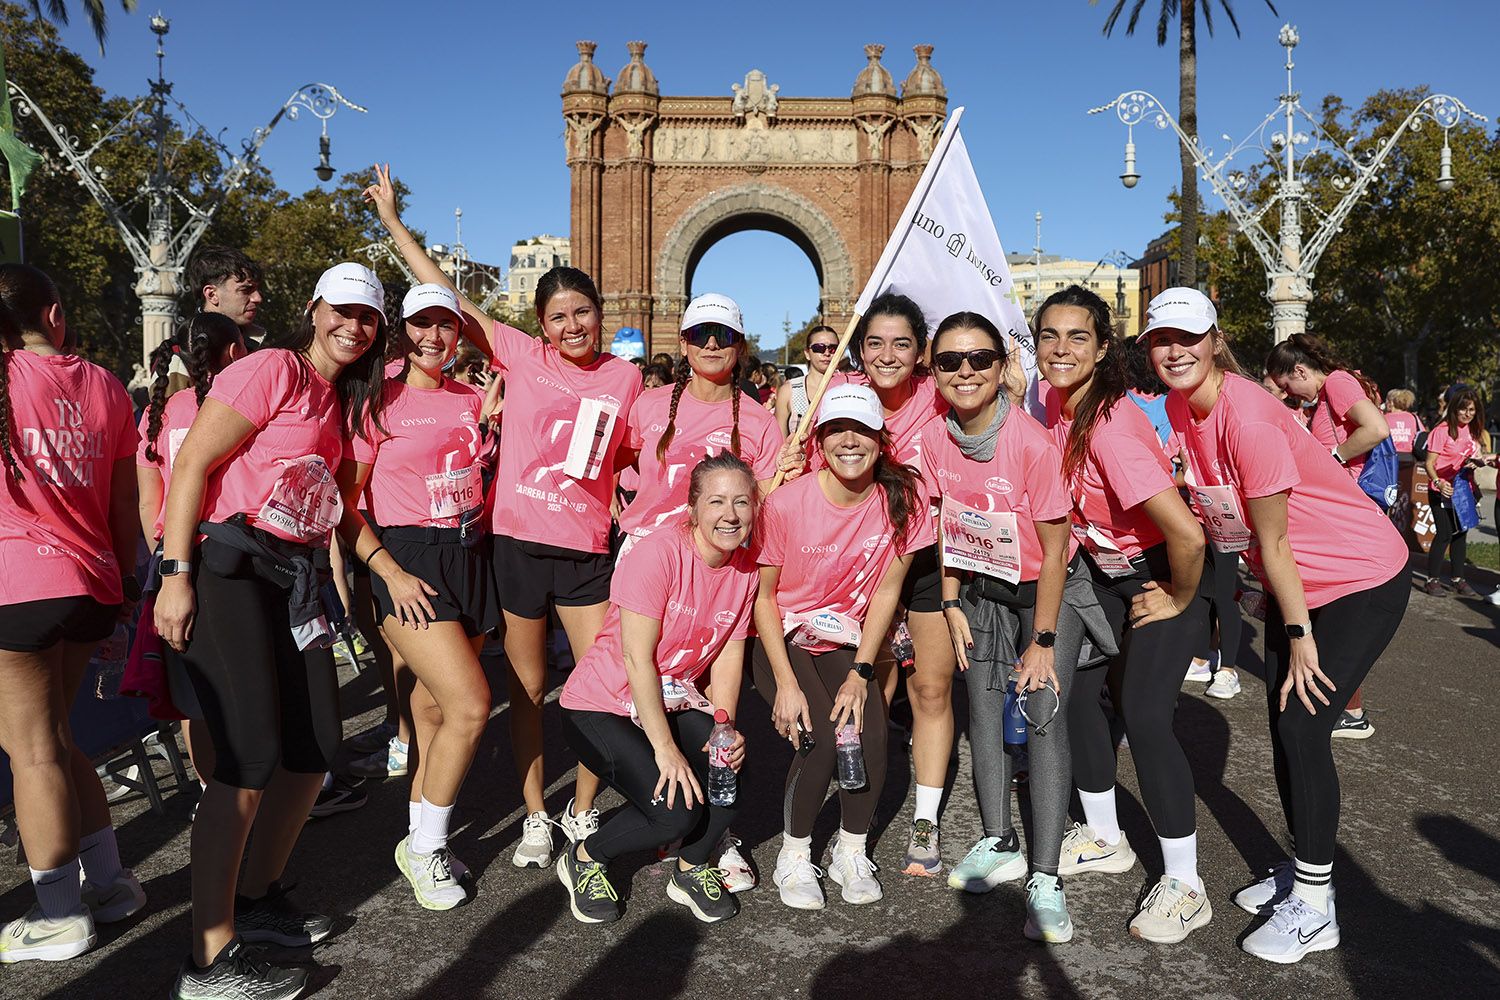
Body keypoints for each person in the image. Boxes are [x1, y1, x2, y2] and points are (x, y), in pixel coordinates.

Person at [368, 164, 642, 866]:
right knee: (527, 692)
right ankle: (533, 816)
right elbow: (446, 298)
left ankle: (580, 810)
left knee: (596, 689)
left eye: (583, 312)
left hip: (586, 550)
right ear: (541, 326)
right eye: (559, 316)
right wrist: (396, 225)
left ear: (599, 316)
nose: (572, 324)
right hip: (516, 546)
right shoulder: (519, 354)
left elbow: (648, 451)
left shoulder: (626, 375)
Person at [1142, 287, 1410, 964]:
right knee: (1288, 727)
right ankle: (1303, 870)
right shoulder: (1181, 406)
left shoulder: (1249, 417)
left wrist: (1297, 635)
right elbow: (1223, 512)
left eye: (1187, 337)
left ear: (1215, 339)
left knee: (1303, 724)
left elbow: (1280, 540)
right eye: (1160, 339)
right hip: (1303, 584)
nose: (1174, 351)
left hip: (1361, 574)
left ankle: (1318, 905)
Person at [155, 262, 387, 998]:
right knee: (248, 759)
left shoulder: (338, 396)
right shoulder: (273, 368)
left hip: (295, 580)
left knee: (314, 750)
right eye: (342, 310)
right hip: (229, 567)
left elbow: (328, 503)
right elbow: (191, 462)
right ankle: (208, 959)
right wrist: (175, 573)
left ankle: (255, 900)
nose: (354, 325)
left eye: (368, 317)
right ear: (314, 308)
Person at [1032, 287, 1215, 943]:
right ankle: (1107, 836)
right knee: (1078, 694)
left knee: (1142, 714)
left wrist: (1180, 597)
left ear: (1104, 347)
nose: (1060, 349)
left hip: (1170, 570)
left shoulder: (1109, 428)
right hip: (1111, 572)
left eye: (1077, 337)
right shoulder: (1058, 405)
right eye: (1048, 335)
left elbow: (1189, 536)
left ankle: (1187, 886)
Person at [920, 310, 1109, 943]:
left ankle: (1047, 876)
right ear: (934, 369)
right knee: (983, 711)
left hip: (1044, 595)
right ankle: (998, 840)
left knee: (1041, 719)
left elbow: (1055, 551)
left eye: (979, 359)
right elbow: (949, 522)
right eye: (950, 360)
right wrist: (949, 602)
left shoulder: (1031, 442)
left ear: (1002, 369)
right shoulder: (934, 438)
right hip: (979, 589)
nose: (965, 370)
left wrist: (1044, 642)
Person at [613, 292, 782, 890]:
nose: (712, 345)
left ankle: (717, 832)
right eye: (701, 334)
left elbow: (764, 495)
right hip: (652, 563)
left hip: (720, 566)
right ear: (683, 343)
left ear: (740, 347)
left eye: (724, 335)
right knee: (629, 681)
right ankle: (627, 808)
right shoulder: (648, 402)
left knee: (714, 688)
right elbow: (617, 461)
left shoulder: (760, 419)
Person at [0, 265, 145, 964]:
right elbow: (124, 507)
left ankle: (57, 915)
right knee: (55, 740)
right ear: (54, 313)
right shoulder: (108, 386)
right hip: (91, 584)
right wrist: (126, 588)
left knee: (30, 752)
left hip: (17, 587)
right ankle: (111, 884)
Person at [335, 283, 496, 911]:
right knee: (472, 705)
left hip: (468, 554)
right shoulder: (377, 396)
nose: (434, 337)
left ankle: (419, 833)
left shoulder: (471, 397)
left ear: (460, 333)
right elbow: (345, 505)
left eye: (445, 326)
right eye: (420, 325)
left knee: (432, 712)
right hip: (407, 558)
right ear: (402, 329)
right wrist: (387, 573)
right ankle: (425, 849)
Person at [790, 294, 954, 879]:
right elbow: (817, 474)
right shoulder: (840, 392)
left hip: (924, 559)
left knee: (929, 692)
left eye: (902, 343)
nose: (888, 355)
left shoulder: (942, 395)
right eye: (876, 343)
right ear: (860, 349)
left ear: (922, 351)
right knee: (866, 700)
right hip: (860, 566)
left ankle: (925, 820)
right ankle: (842, 828)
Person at [557, 454, 759, 924]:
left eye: (741, 502)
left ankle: (690, 869)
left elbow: (729, 652)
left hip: (671, 697)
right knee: (673, 811)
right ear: (693, 508)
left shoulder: (746, 569)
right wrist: (666, 749)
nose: (730, 515)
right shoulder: (659, 553)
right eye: (716, 502)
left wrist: (722, 731)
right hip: (601, 704)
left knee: (727, 775)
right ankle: (585, 857)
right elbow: (636, 658)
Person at [754, 383, 929, 909]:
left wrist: (861, 673)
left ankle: (850, 850)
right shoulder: (787, 502)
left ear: (881, 439)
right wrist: (785, 683)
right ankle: (795, 853)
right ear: (819, 439)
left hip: (845, 638)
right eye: (835, 430)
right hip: (782, 636)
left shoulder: (902, 501)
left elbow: (887, 592)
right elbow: (762, 597)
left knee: (870, 732)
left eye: (862, 430)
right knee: (823, 738)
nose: (849, 441)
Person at [136, 313, 249, 805]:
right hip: (228, 553)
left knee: (194, 696)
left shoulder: (157, 412)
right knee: (243, 683)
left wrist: (163, 560)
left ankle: (212, 796)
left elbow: (147, 500)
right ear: (232, 354)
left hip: (171, 560)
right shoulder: (241, 403)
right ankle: (246, 794)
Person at [1264, 334, 1392, 738]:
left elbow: (1377, 428)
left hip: (1347, 519)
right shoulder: (1328, 393)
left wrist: (1331, 459)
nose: (1290, 396)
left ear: (1300, 371)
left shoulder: (1336, 383)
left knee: (1335, 623)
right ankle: (1345, 708)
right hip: (1339, 518)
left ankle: (1348, 711)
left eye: (1288, 387)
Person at [1423, 388, 1495, 598]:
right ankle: (1432, 580)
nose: (1467, 413)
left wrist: (1478, 462)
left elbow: (1476, 455)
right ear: (1454, 409)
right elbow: (1429, 463)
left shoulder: (1473, 431)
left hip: (1464, 490)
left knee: (1461, 533)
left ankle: (1458, 579)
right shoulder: (1441, 431)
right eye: (1463, 409)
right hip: (1441, 490)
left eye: (1471, 409)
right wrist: (1438, 481)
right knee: (1444, 534)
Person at [187, 245, 267, 350]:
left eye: (257, 289)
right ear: (212, 294)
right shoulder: (176, 357)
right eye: (245, 290)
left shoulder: (267, 345)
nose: (257, 298)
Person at [776, 324, 840, 438]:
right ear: (807, 353)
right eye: (819, 348)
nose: (826, 353)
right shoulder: (789, 390)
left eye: (833, 348)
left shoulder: (847, 387)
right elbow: (779, 440)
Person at [1383, 389, 1423, 456]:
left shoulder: (1384, 418)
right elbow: (1421, 434)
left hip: (1389, 455)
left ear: (1391, 403)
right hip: (1409, 456)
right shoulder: (1414, 417)